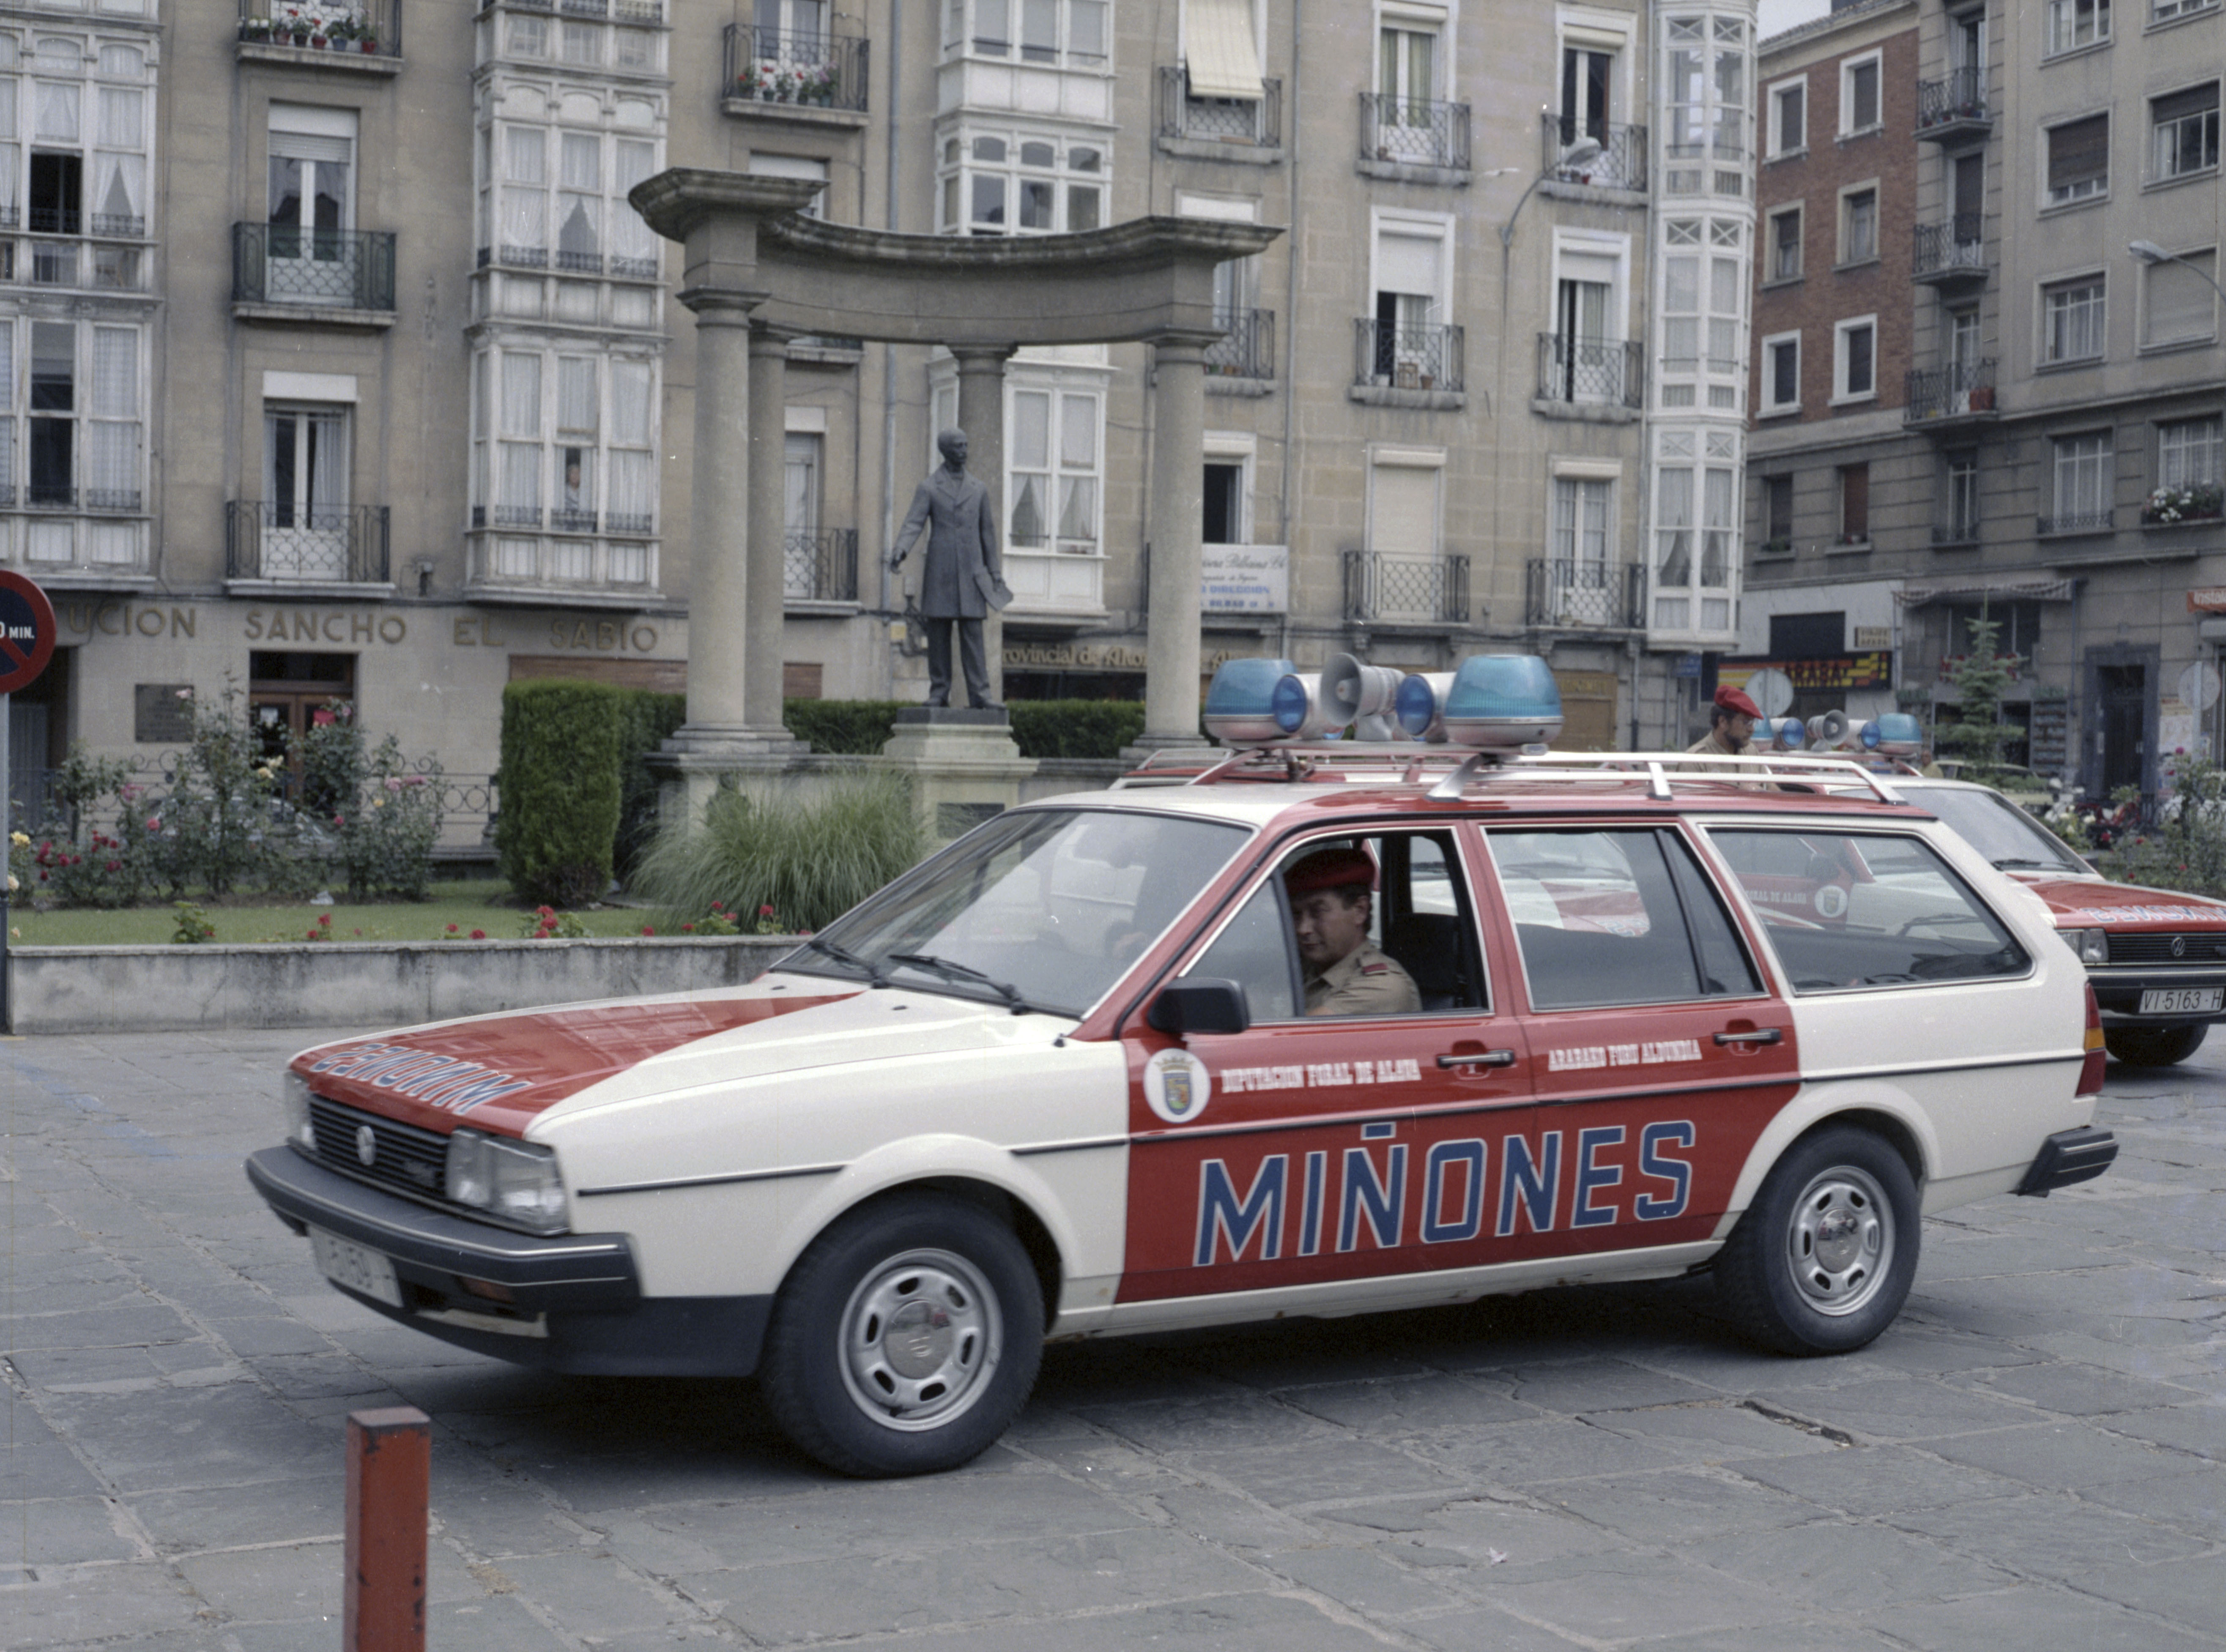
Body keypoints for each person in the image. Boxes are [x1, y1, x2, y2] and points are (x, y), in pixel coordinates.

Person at [887, 428, 1011, 711]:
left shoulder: (978, 488)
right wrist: (901, 550)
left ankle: (981, 695)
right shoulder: (930, 487)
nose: (964, 451)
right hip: (941, 570)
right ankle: (939, 692)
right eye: (958, 446)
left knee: (973, 635)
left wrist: (994, 572)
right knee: (939, 634)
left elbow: (988, 533)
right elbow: (914, 522)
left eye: (966, 445)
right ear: (945, 450)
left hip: (972, 572)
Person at [1284, 846, 1420, 1017]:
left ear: (1360, 911)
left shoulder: (1381, 987)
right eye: (1296, 914)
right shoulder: (1310, 969)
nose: (1303, 929)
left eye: (1318, 912)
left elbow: (1290, 1032)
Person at [1689, 684, 1762, 762]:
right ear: (1723, 722)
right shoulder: (1696, 759)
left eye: (1753, 722)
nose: (1752, 729)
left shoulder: (1752, 753)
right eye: (1746, 722)